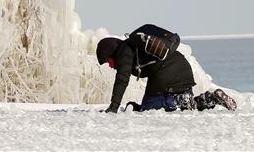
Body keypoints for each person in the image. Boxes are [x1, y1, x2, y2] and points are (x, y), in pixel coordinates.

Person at [95, 25, 237, 113]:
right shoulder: (132, 47)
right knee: (188, 105)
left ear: (111, 52)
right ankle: (211, 98)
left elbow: (122, 79)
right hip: (182, 69)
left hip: (168, 72)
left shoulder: (123, 51)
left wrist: (113, 107)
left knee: (150, 105)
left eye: (108, 61)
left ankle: (179, 100)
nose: (110, 65)